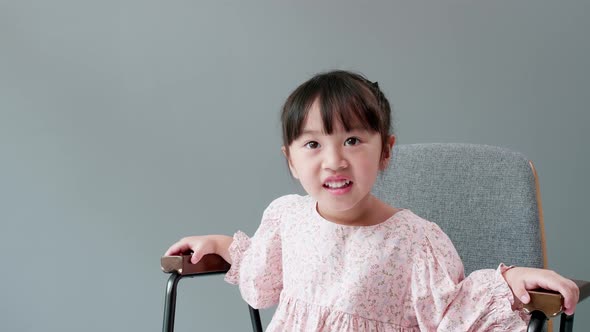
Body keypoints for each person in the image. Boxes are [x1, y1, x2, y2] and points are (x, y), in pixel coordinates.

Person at [165, 70, 579, 331]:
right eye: (312, 144)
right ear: (290, 160)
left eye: (352, 140)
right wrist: (223, 245)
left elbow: (453, 314)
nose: (334, 160)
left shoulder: (416, 241)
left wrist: (506, 284)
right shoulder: (286, 218)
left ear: (385, 151)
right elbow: (260, 285)